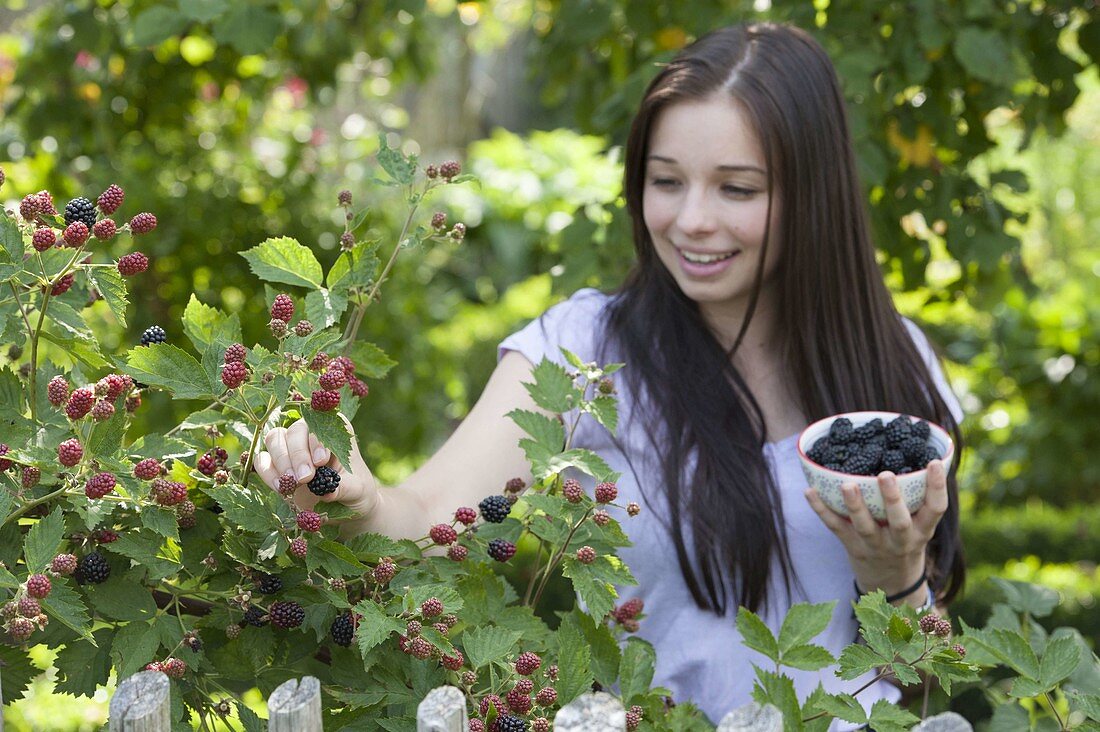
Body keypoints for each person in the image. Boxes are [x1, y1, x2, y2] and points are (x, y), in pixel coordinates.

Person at [254, 22, 965, 728]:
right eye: (666, 182)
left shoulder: (891, 370)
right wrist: (359, 496)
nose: (691, 220)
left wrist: (893, 575)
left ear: (814, 194)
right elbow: (426, 517)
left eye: (737, 190)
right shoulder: (585, 353)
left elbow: (927, 686)